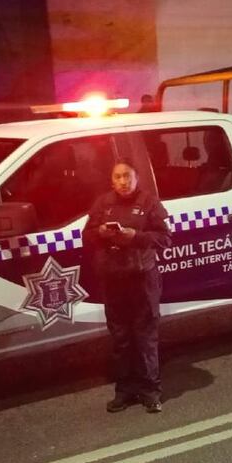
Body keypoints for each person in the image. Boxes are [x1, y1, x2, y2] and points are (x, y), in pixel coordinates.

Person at [82, 161, 172, 413]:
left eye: (127, 176)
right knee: (120, 338)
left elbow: (165, 238)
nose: (123, 181)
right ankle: (125, 391)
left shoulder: (149, 203)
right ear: (112, 180)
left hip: (142, 278)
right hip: (113, 279)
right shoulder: (103, 203)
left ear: (137, 178)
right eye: (118, 176)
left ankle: (150, 391)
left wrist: (136, 236)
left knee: (145, 336)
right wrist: (100, 232)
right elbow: (85, 235)